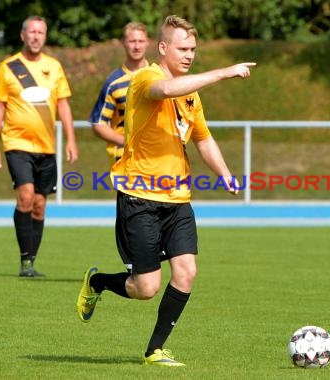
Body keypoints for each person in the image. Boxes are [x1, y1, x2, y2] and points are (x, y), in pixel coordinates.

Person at [76, 15, 255, 366]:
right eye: (182, 48)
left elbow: (203, 139)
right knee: (145, 288)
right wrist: (223, 72)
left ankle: (154, 350)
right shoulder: (147, 77)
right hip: (139, 199)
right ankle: (97, 283)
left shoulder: (191, 97)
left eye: (193, 49)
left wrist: (225, 174)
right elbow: (166, 90)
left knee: (187, 271)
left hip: (178, 202)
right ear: (163, 48)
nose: (189, 55)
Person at [0, 15, 78, 278]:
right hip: (17, 143)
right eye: (32, 32)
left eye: (41, 32)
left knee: (39, 205)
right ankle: (25, 261)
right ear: (22, 35)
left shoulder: (54, 67)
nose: (36, 36)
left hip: (47, 147)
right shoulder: (8, 67)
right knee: (25, 196)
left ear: (45, 36)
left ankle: (31, 261)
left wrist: (71, 138)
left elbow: (63, 104)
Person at [88, 21, 150, 167]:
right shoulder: (113, 82)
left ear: (147, 43)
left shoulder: (159, 77)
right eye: (132, 41)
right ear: (124, 43)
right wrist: (126, 142)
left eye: (141, 41)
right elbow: (98, 123)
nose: (137, 46)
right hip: (124, 157)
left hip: (155, 156)